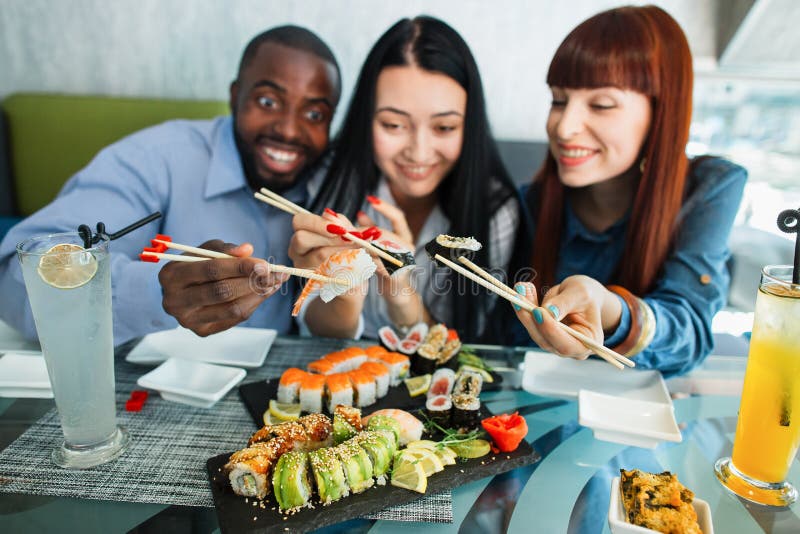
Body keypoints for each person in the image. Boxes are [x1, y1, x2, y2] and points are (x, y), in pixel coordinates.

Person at [0, 26, 342, 343]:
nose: (288, 130)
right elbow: (18, 279)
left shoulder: (337, 181)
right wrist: (157, 293)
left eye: (314, 115)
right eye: (268, 102)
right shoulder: (155, 159)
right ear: (236, 96)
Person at [506, 5, 746, 376]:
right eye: (558, 100)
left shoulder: (709, 187)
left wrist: (609, 307)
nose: (564, 127)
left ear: (660, 113)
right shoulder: (530, 202)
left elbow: (690, 328)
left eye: (601, 104)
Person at [288, 16, 520, 343]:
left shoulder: (495, 211)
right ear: (366, 118)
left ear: (469, 128)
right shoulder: (331, 180)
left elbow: (462, 345)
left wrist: (401, 293)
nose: (419, 152)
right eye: (394, 125)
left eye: (444, 128)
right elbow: (313, 325)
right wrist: (345, 293)